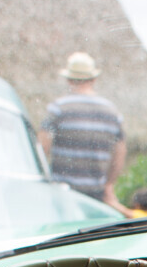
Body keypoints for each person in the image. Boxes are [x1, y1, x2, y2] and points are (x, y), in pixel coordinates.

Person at [40, 52, 127, 211]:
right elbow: (120, 152)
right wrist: (108, 184)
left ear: (68, 79)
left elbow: (42, 146)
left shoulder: (58, 108)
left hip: (62, 195)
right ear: (93, 79)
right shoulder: (112, 112)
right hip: (96, 196)